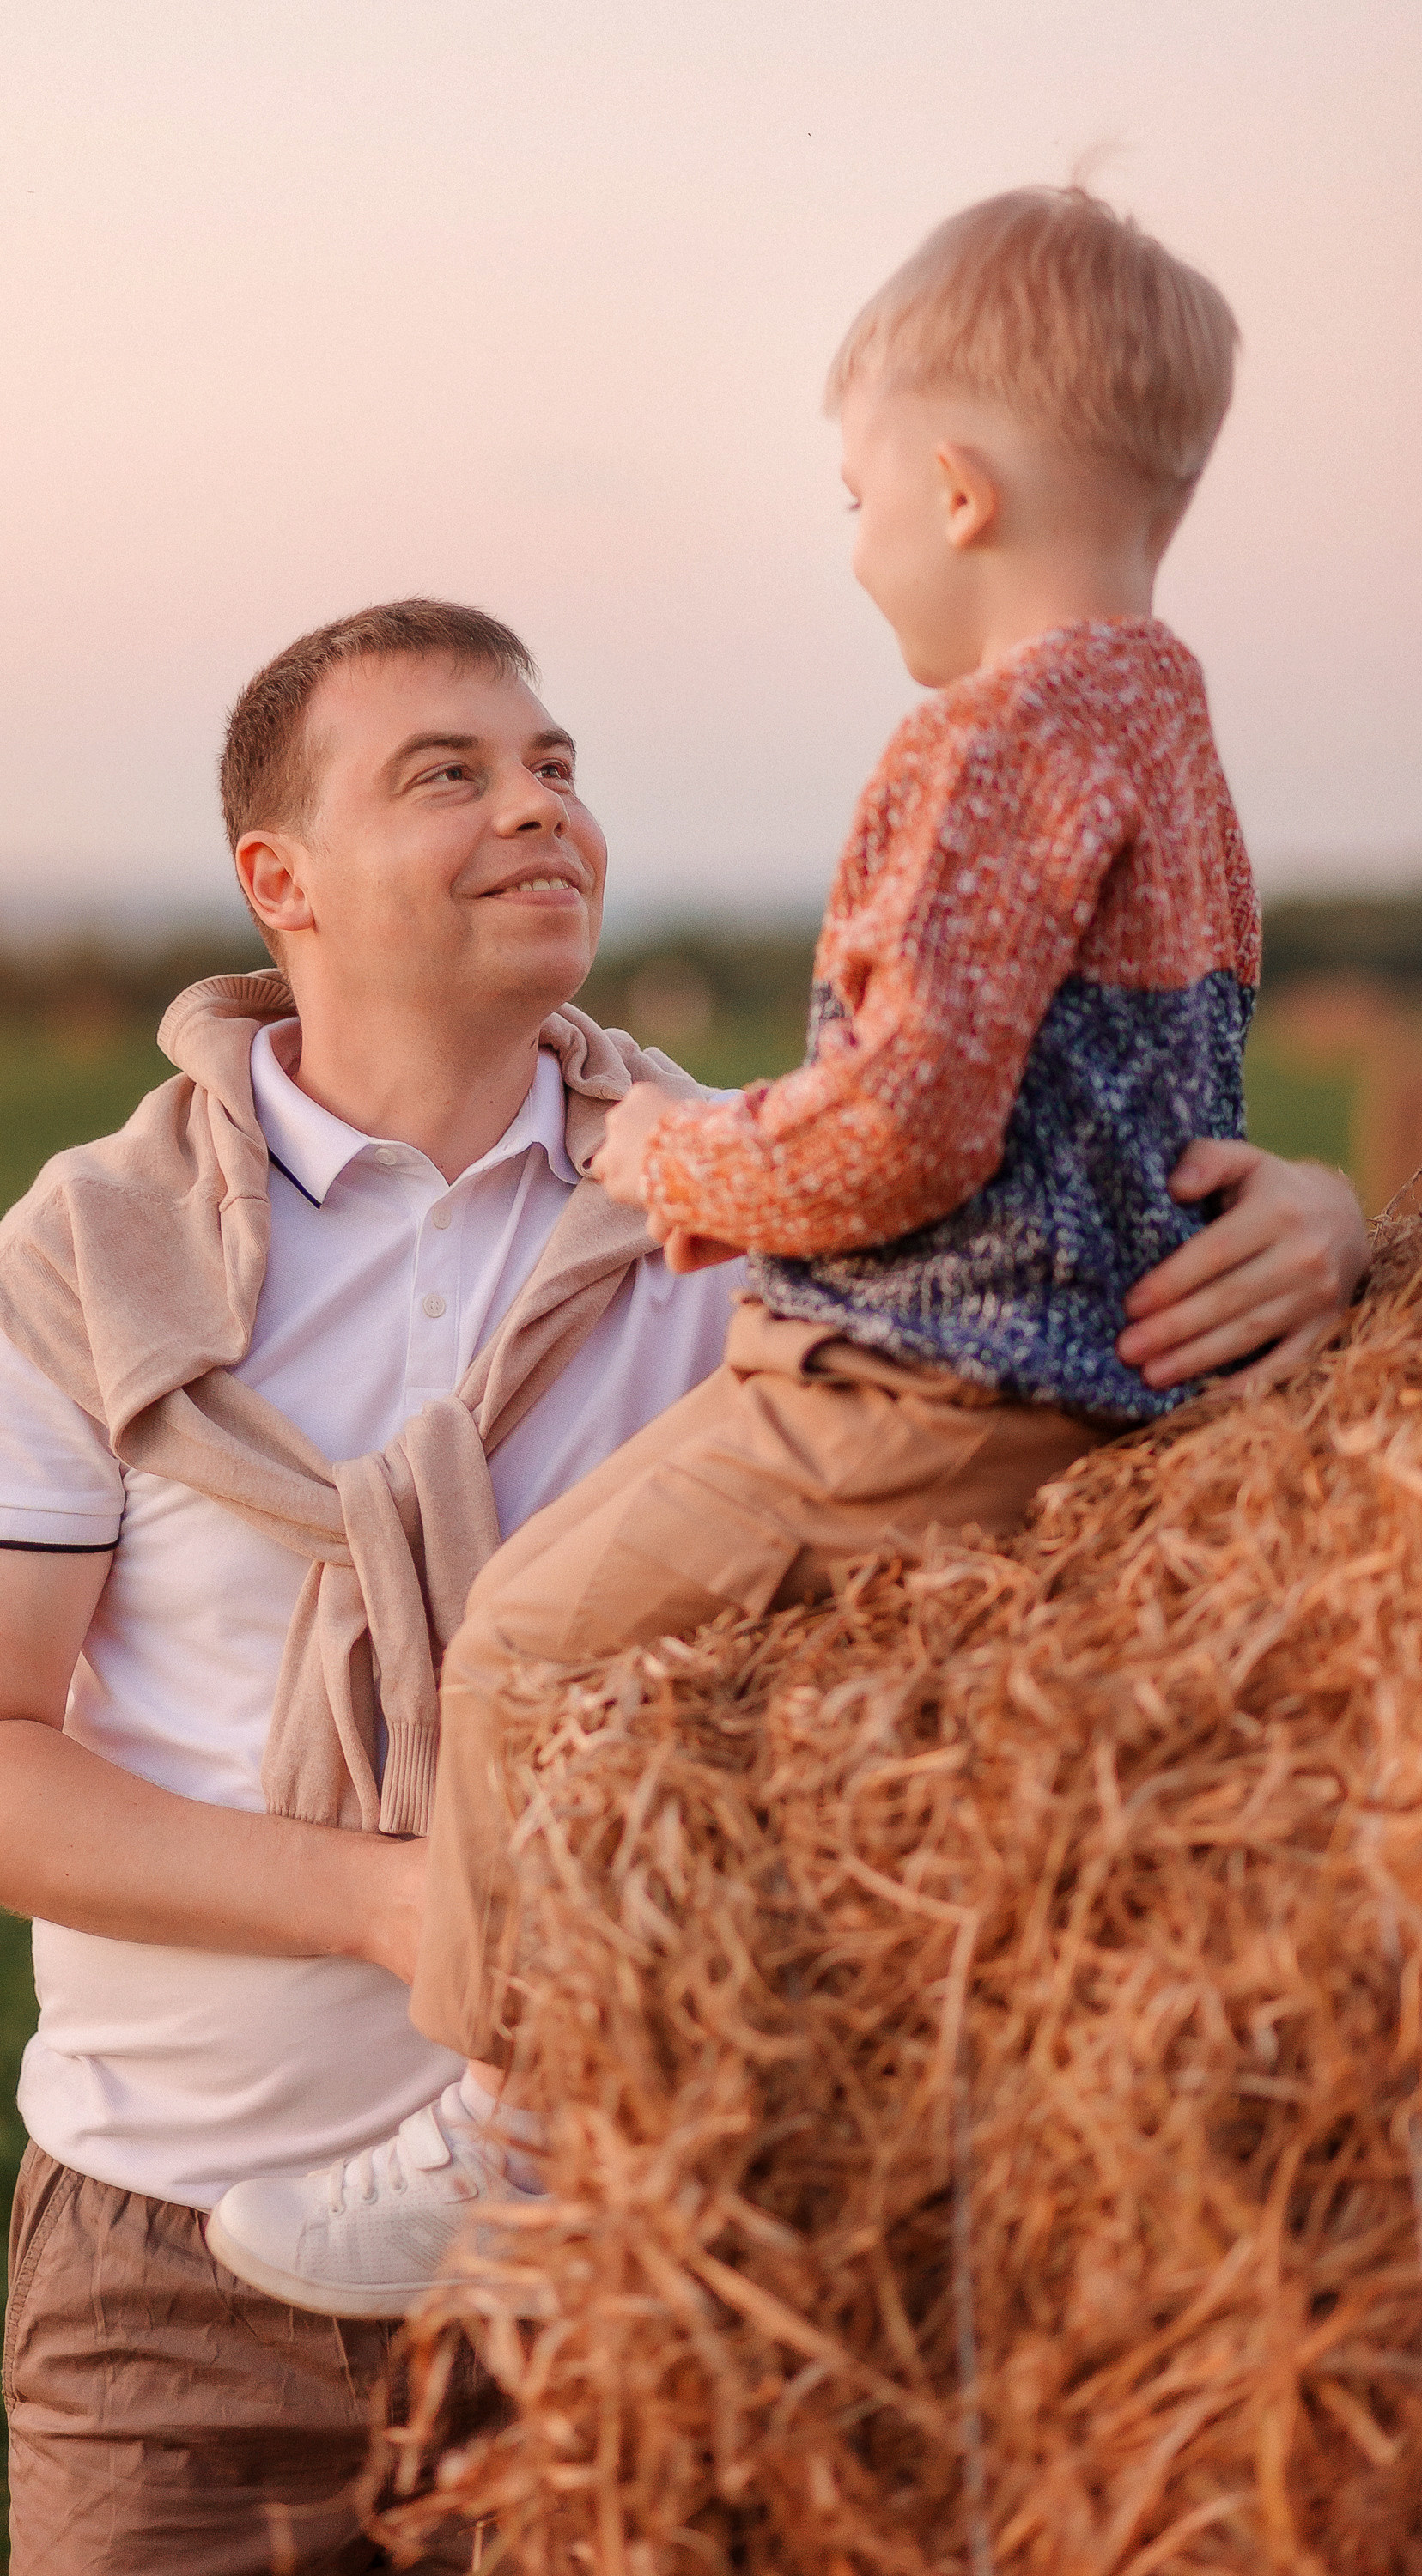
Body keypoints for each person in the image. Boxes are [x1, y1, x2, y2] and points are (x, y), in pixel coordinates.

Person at [0, 593, 1364, 2572]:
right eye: (449, 774)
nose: (537, 808)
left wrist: (1319, 1234)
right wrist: (403, 1906)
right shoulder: (88, 1265)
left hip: (652, 2244)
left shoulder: (747, 1208)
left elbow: (1057, 1370)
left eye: (555, 765)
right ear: (280, 881)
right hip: (178, 2287)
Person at [208, 189, 1332, 2324]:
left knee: (527, 1645)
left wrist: (681, 1161)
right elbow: (1157, 1081)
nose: (851, 549)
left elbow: (909, 1122)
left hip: (926, 1375)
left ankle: (511, 2139)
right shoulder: (1171, 726)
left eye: (850, 500)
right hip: (1091, 1359)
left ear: (954, 489)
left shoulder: (985, 739)